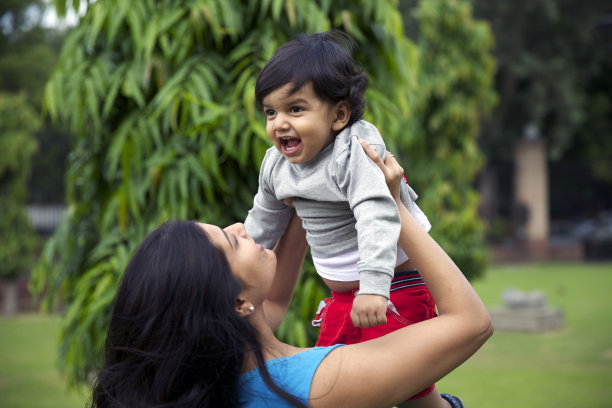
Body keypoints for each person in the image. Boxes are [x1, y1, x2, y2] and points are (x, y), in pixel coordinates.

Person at [91, 141, 493, 408]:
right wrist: (390, 207)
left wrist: (306, 192)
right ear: (236, 303)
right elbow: (471, 323)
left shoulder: (224, 375)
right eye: (231, 243)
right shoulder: (319, 385)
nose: (241, 228)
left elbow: (276, 300)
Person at [243, 30, 442, 405]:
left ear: (338, 115)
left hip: (393, 283)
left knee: (405, 388)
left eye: (295, 109)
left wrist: (374, 286)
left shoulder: (354, 149)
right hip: (342, 296)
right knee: (333, 384)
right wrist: (227, 272)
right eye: (271, 112)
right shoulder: (276, 164)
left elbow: (376, 214)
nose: (279, 123)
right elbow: (263, 223)